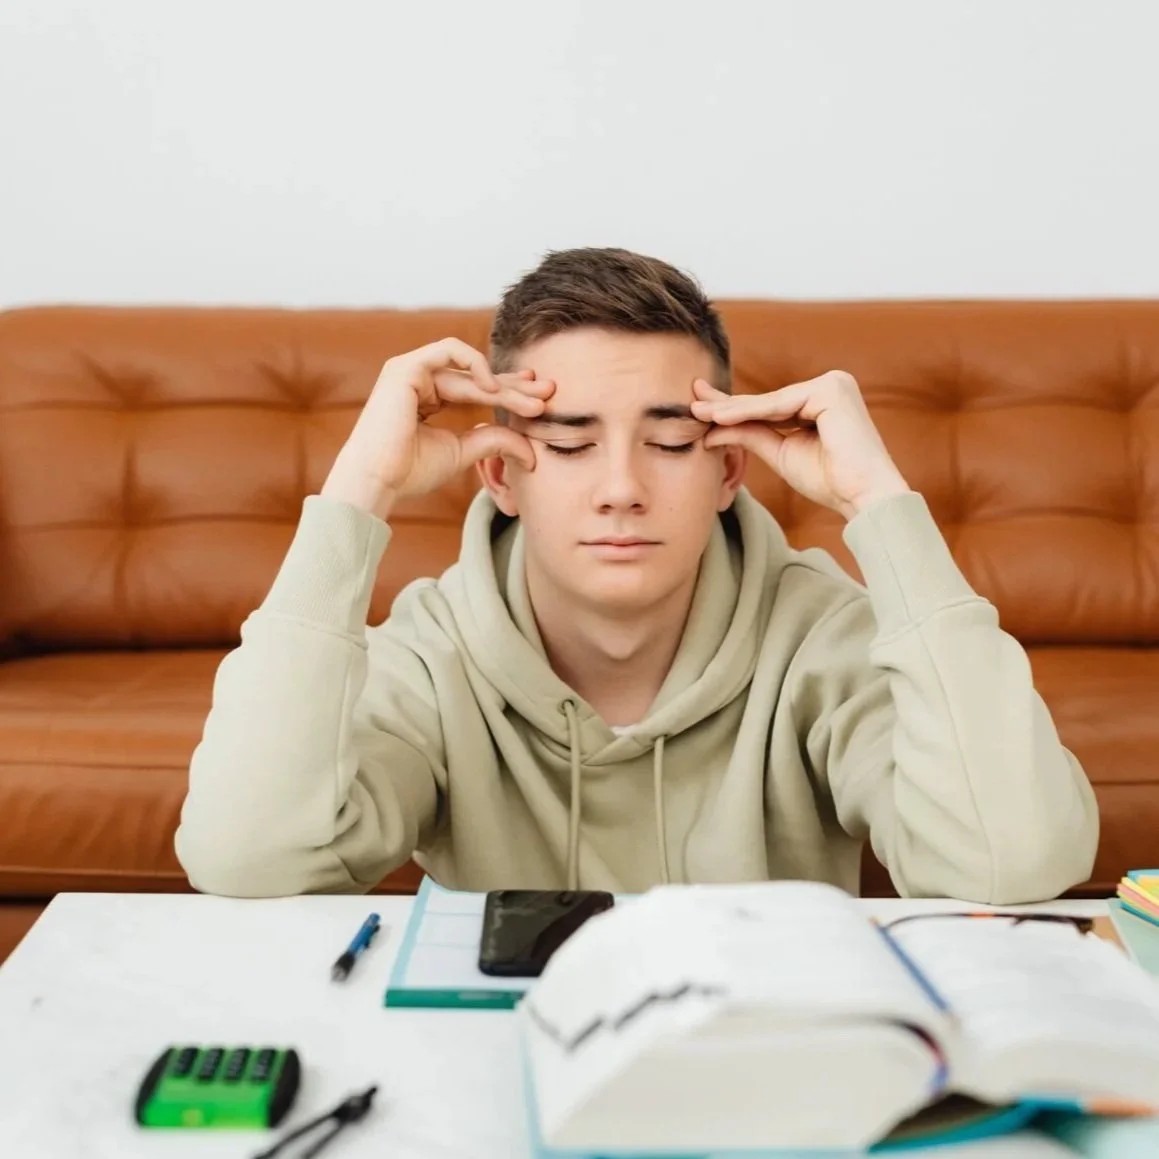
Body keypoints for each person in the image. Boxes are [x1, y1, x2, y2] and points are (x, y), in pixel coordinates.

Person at [175, 247, 1098, 904]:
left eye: (667, 442)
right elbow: (246, 856)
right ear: (499, 473)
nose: (621, 489)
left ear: (728, 470)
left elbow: (1008, 862)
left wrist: (880, 504)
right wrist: (356, 494)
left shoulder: (821, 635)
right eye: (570, 442)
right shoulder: (432, 653)